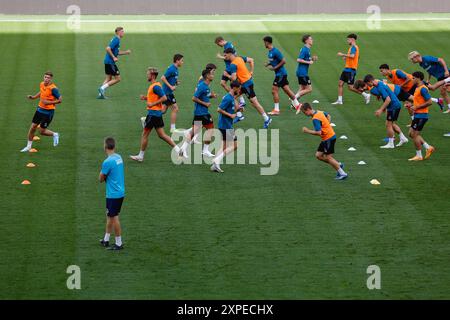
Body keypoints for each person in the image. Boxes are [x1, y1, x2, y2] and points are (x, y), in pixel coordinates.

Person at [130, 67, 181, 162]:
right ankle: (178, 149)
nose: (147, 75)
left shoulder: (156, 86)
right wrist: (145, 98)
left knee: (145, 134)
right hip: (156, 114)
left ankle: (140, 156)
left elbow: (164, 98)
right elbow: (154, 97)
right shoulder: (154, 85)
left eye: (148, 74)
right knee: (162, 135)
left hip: (153, 114)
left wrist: (152, 104)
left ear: (152, 75)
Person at [224, 48, 272, 128]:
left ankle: (267, 119)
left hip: (246, 85)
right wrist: (251, 71)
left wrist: (226, 75)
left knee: (254, 102)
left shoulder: (233, 64)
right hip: (245, 84)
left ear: (230, 54)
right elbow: (251, 60)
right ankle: (239, 115)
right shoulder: (239, 58)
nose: (225, 57)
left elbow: (234, 79)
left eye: (225, 55)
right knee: (232, 97)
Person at [301, 103, 348, 180]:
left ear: (308, 109)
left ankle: (343, 173)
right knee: (318, 155)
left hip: (328, 138)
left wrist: (307, 131)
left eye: (304, 112)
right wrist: (327, 125)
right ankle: (337, 164)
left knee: (328, 157)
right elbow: (329, 115)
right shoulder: (319, 112)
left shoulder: (315, 119)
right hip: (327, 138)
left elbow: (318, 133)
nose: (305, 114)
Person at [360, 75, 409, 148]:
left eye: (368, 84)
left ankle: (391, 144)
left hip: (393, 106)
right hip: (394, 105)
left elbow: (388, 99)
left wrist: (380, 109)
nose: (368, 86)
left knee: (388, 124)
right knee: (390, 124)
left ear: (370, 81)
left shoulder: (380, 87)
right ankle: (402, 138)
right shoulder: (379, 83)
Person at [180, 68, 217, 158]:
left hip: (199, 113)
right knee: (210, 129)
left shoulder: (205, 86)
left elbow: (203, 95)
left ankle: (182, 149)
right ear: (207, 76)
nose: (213, 75)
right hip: (202, 113)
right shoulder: (202, 86)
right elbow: (194, 98)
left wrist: (211, 96)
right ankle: (205, 150)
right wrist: (205, 103)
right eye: (212, 73)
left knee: (194, 132)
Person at [20, 71, 61, 152]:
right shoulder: (41, 84)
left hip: (48, 112)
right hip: (39, 109)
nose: (46, 79)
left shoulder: (53, 89)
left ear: (51, 79)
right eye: (45, 77)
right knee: (32, 128)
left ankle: (55, 134)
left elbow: (60, 100)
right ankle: (28, 147)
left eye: (48, 78)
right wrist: (34, 97)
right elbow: (41, 92)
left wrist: (48, 102)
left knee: (41, 132)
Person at [379, 64, 444, 113]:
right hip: (408, 89)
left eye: (382, 71)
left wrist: (401, 86)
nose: (381, 73)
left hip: (414, 84)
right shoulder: (388, 77)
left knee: (432, 88)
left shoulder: (396, 72)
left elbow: (408, 78)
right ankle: (437, 100)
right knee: (412, 101)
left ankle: (446, 80)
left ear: (387, 69)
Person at [262, 36, 301, 115]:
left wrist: (275, 67)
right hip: (281, 74)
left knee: (274, 91)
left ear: (267, 42)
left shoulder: (275, 51)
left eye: (264, 42)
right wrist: (268, 64)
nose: (264, 44)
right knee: (287, 90)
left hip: (281, 74)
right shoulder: (270, 51)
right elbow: (274, 60)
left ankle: (276, 110)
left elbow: (283, 61)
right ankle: (298, 105)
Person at [99, 137, 125, 251]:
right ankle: (106, 239)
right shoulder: (119, 157)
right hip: (120, 192)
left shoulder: (107, 162)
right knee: (109, 216)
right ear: (114, 146)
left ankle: (119, 243)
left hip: (113, 194)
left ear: (105, 147)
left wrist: (103, 173)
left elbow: (100, 179)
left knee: (114, 218)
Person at [211, 81, 242, 173]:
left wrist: (239, 109)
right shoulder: (228, 98)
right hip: (226, 126)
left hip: (225, 125)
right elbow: (219, 109)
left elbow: (232, 108)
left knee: (224, 146)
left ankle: (215, 165)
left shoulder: (231, 97)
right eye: (239, 88)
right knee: (235, 145)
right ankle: (217, 160)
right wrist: (230, 115)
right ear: (234, 88)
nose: (239, 90)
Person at [332, 34, 371, 105]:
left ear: (352, 39)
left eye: (348, 39)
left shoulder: (353, 47)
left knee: (350, 87)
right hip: (346, 69)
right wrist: (347, 58)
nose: (347, 41)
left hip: (351, 70)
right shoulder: (352, 47)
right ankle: (340, 101)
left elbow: (353, 56)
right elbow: (357, 56)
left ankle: (366, 95)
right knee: (340, 84)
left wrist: (342, 54)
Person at [407, 71, 435, 161]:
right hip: (418, 115)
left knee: (415, 135)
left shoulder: (423, 89)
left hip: (422, 116)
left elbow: (429, 102)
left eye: (413, 78)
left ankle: (419, 155)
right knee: (411, 134)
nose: (412, 79)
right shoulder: (417, 88)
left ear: (418, 78)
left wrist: (416, 107)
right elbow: (419, 101)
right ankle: (428, 147)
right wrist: (411, 106)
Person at [98, 27, 131, 99]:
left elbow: (117, 52)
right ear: (118, 32)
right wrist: (113, 57)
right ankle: (102, 88)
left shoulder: (117, 40)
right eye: (122, 31)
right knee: (118, 78)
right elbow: (108, 48)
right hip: (110, 62)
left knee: (108, 78)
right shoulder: (116, 40)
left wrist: (126, 52)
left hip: (107, 61)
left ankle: (101, 95)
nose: (123, 33)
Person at [214, 36, 246, 107]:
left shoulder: (228, 46)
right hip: (228, 68)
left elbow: (233, 57)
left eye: (218, 44)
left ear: (221, 41)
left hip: (231, 68)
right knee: (223, 83)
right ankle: (235, 97)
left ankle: (239, 100)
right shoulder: (227, 45)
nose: (218, 45)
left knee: (233, 85)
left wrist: (220, 57)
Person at [161, 54, 184, 133]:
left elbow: (170, 78)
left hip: (167, 92)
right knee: (175, 108)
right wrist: (171, 86)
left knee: (163, 110)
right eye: (181, 60)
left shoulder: (176, 69)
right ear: (177, 61)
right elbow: (163, 78)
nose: (182, 62)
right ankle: (173, 128)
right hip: (167, 93)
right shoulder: (171, 69)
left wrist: (176, 82)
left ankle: (147, 119)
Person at [295, 34, 317, 110]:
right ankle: (294, 99)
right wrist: (309, 62)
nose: (312, 40)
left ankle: (294, 104)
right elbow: (298, 59)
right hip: (302, 73)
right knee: (309, 89)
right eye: (311, 39)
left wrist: (312, 59)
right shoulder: (304, 49)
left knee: (301, 88)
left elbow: (306, 58)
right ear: (306, 40)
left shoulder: (307, 49)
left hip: (302, 72)